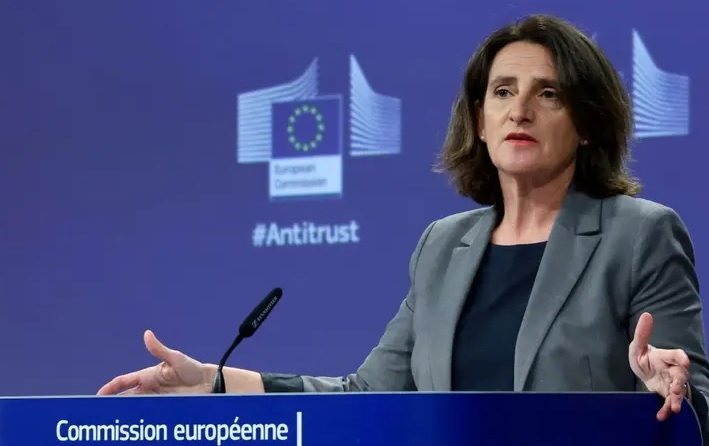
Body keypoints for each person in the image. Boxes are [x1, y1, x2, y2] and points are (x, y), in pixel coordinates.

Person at [99, 13, 709, 441]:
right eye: (502, 92)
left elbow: (695, 402)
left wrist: (670, 391)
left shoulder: (639, 235)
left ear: (587, 123)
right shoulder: (443, 246)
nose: (520, 110)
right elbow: (368, 397)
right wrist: (213, 383)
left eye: (548, 93)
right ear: (480, 120)